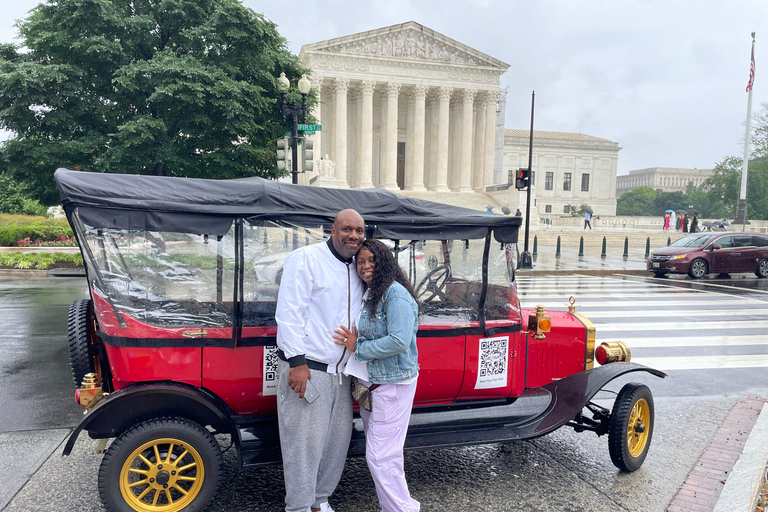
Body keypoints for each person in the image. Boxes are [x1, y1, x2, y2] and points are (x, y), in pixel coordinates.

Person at [275, 209, 366, 512]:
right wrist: (296, 363)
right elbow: (290, 312)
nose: (353, 236)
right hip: (308, 368)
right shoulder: (306, 259)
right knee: (304, 447)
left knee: (335, 445)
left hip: (341, 373)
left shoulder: (357, 267)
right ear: (333, 230)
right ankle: (298, 508)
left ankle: (319, 501)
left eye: (360, 231)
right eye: (347, 229)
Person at [333, 239, 421, 512]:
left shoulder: (395, 295)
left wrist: (357, 347)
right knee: (384, 456)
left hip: (391, 386)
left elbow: (399, 340)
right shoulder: (371, 292)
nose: (366, 266)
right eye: (360, 261)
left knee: (381, 457)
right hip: (372, 386)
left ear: (385, 262)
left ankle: (401, 509)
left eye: (372, 260)